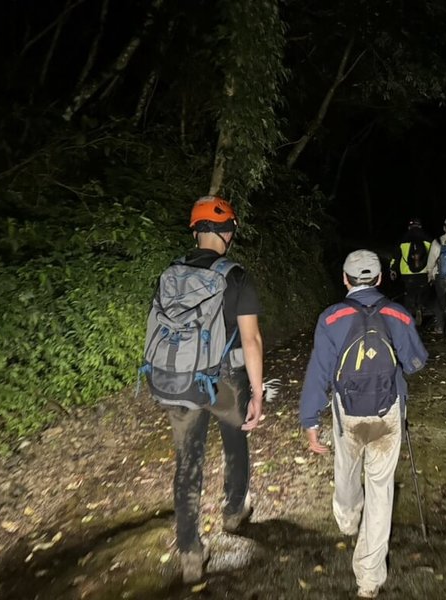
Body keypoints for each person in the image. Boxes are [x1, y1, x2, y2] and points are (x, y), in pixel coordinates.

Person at [299, 250, 428, 599]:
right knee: (381, 490)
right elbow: (416, 362)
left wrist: (310, 419)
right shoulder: (397, 314)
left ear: (345, 279)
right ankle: (369, 578)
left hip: (349, 415)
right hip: (387, 414)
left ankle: (346, 516)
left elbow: (318, 373)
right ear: (381, 278)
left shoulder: (331, 318)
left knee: (347, 472)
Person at [160, 196, 264, 583]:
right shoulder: (236, 276)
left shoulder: (171, 272)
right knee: (235, 441)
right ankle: (234, 511)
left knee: (188, 462)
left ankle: (189, 550)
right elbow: (251, 340)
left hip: (181, 378)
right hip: (224, 379)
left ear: (196, 232)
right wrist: (256, 391)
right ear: (227, 232)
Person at [389, 217, 433, 324]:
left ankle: (409, 314)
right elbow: (433, 255)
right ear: (420, 226)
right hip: (424, 272)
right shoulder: (428, 239)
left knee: (409, 292)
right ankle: (420, 306)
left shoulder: (403, 239)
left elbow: (396, 257)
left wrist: (393, 269)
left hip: (407, 273)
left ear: (409, 227)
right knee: (423, 291)